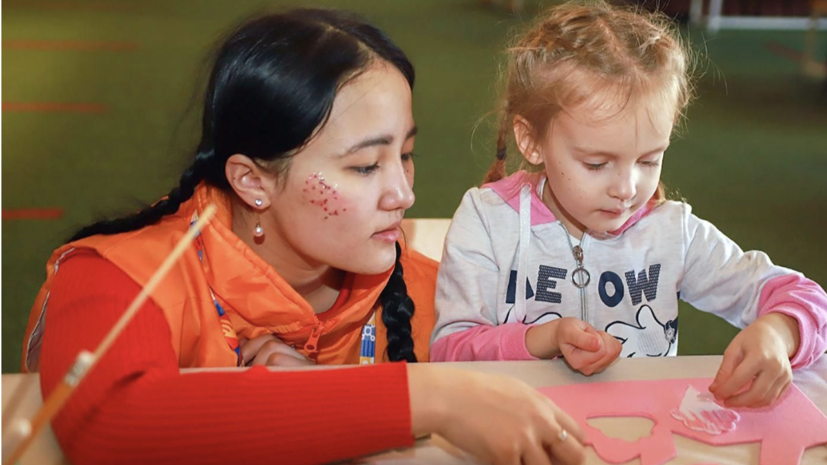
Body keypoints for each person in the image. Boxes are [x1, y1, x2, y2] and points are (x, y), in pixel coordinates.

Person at [20, 9, 586, 465]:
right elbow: (110, 422)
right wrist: (432, 398)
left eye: (406, 155)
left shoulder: (423, 292)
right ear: (252, 180)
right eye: (365, 167)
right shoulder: (119, 279)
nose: (403, 194)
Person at [430, 1, 827, 409]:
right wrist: (541, 339)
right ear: (532, 141)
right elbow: (448, 354)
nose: (626, 188)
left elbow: (806, 298)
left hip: (644, 432)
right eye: (597, 163)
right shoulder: (486, 221)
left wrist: (780, 332)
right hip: (521, 432)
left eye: (648, 160)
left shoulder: (673, 233)